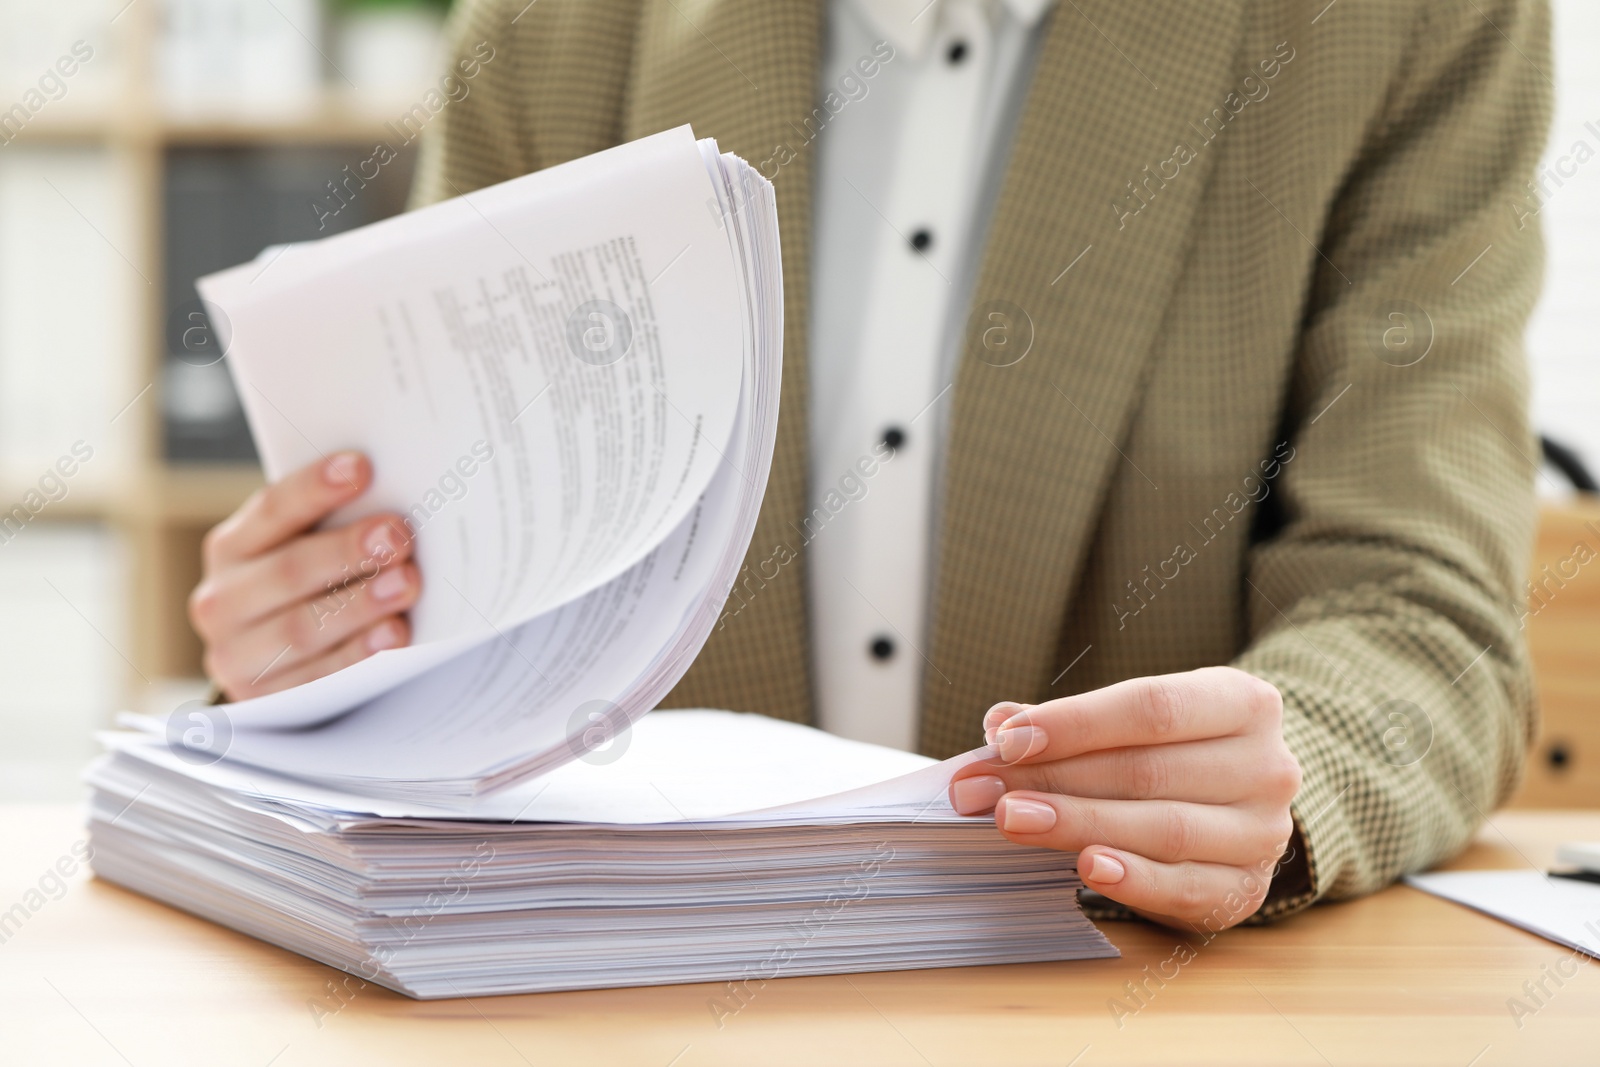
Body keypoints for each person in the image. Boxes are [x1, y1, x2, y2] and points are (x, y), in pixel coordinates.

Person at [187, 0, 1551, 934]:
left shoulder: (1409, 26)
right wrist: (331, 644)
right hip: (625, 998)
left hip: (1130, 1002)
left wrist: (1289, 765)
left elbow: (1425, 615)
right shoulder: (558, 31)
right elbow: (447, 577)